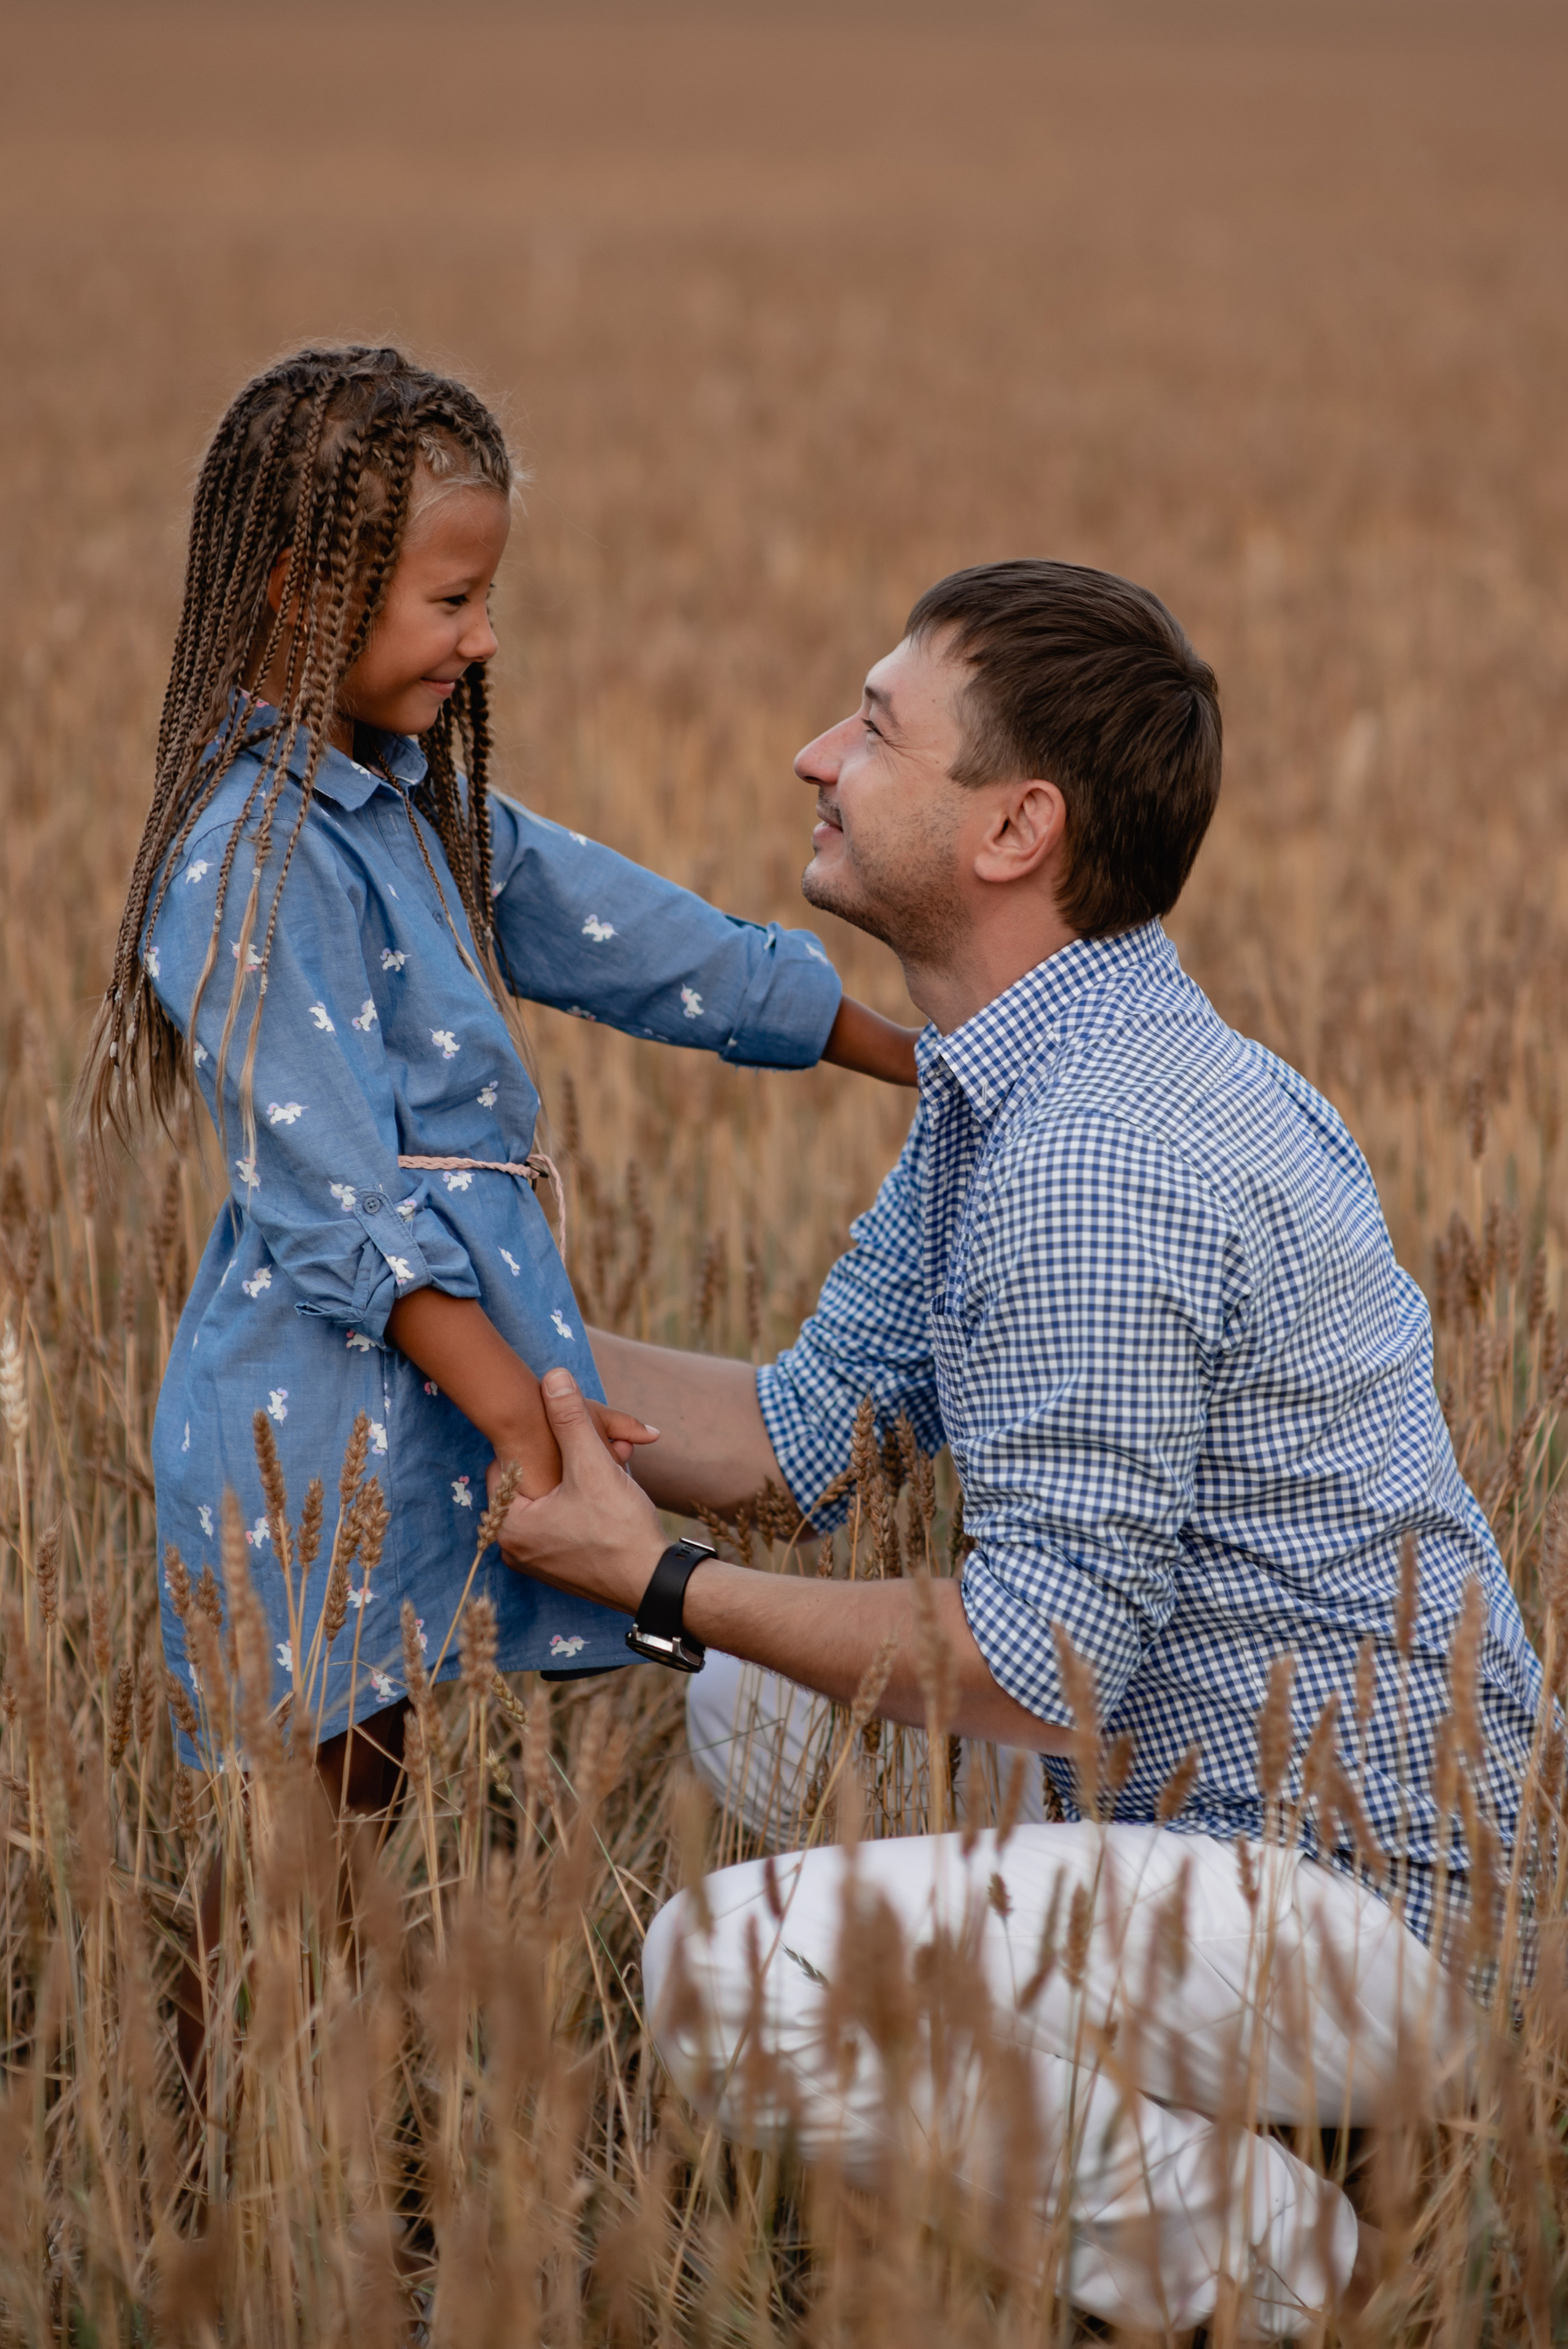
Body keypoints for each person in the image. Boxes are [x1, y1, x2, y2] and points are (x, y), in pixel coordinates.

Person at [491, 559, 1548, 2337]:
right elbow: (802, 1437)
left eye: (875, 728)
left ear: (1013, 829)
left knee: (727, 1974)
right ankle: (1211, 2140)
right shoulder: (1023, 1080)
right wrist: (453, 1331)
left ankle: (1295, 2286)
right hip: (1213, 1814)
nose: (815, 754)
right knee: (753, 1710)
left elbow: (1031, 1665)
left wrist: (659, 1584)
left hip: (1365, 1900)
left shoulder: (1093, 1161)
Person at [77, 343, 917, 1814]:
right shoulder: (248, 863)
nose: (481, 640)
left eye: (485, 600)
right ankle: (263, 1992)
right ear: (303, 595)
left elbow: (649, 945)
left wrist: (908, 1055)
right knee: (304, 1824)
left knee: (373, 1782)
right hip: (315, 1414)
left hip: (429, 1379)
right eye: (452, 601)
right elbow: (336, 1203)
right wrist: (529, 1425)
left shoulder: (413, 809)